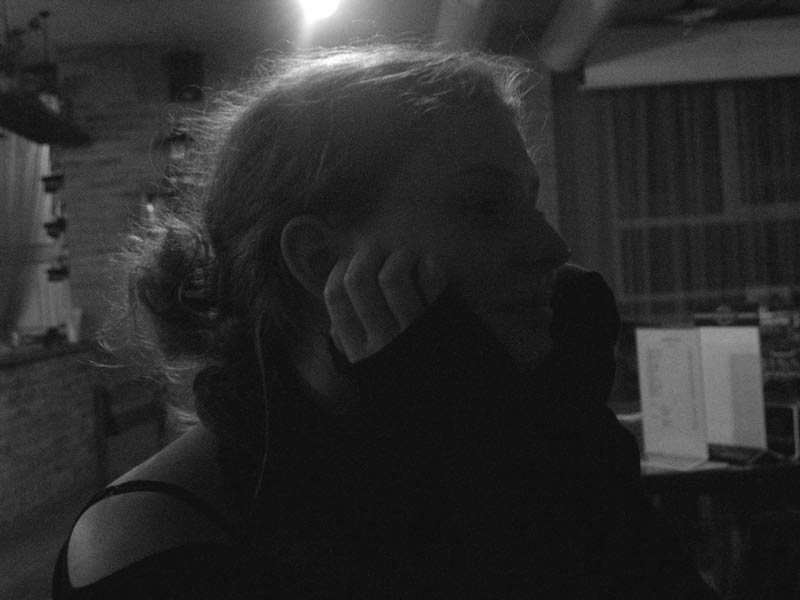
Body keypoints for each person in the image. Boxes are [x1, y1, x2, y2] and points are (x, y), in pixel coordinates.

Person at [52, 44, 718, 598]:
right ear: (320, 260)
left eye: (530, 202)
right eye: (485, 207)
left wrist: (550, 436)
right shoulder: (153, 539)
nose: (552, 246)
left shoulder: (513, 426)